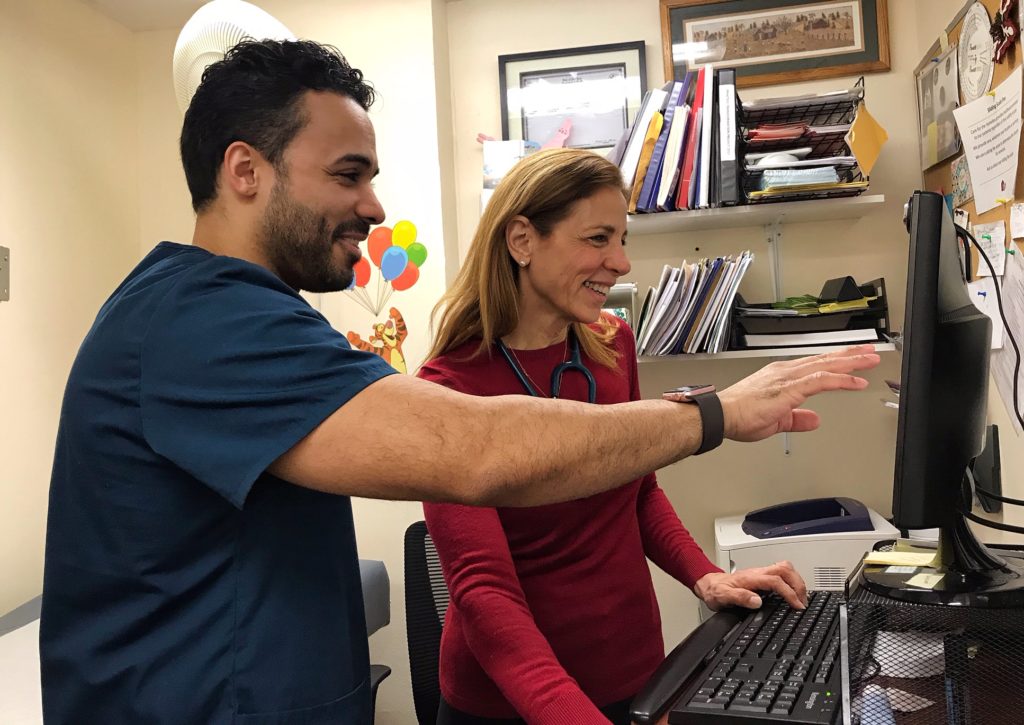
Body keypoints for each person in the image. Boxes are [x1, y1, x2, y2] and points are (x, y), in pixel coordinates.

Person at [39, 39, 878, 724]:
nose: (373, 206)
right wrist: (717, 412)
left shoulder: (259, 321)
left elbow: (627, 485)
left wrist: (700, 572)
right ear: (245, 171)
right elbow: (471, 450)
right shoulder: (200, 323)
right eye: (348, 174)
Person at [418, 148, 844, 724]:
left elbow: (638, 491)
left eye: (623, 239)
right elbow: (482, 593)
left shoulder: (611, 344)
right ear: (522, 240)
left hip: (633, 676)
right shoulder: (446, 389)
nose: (619, 262)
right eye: (597, 239)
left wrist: (706, 577)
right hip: (514, 703)